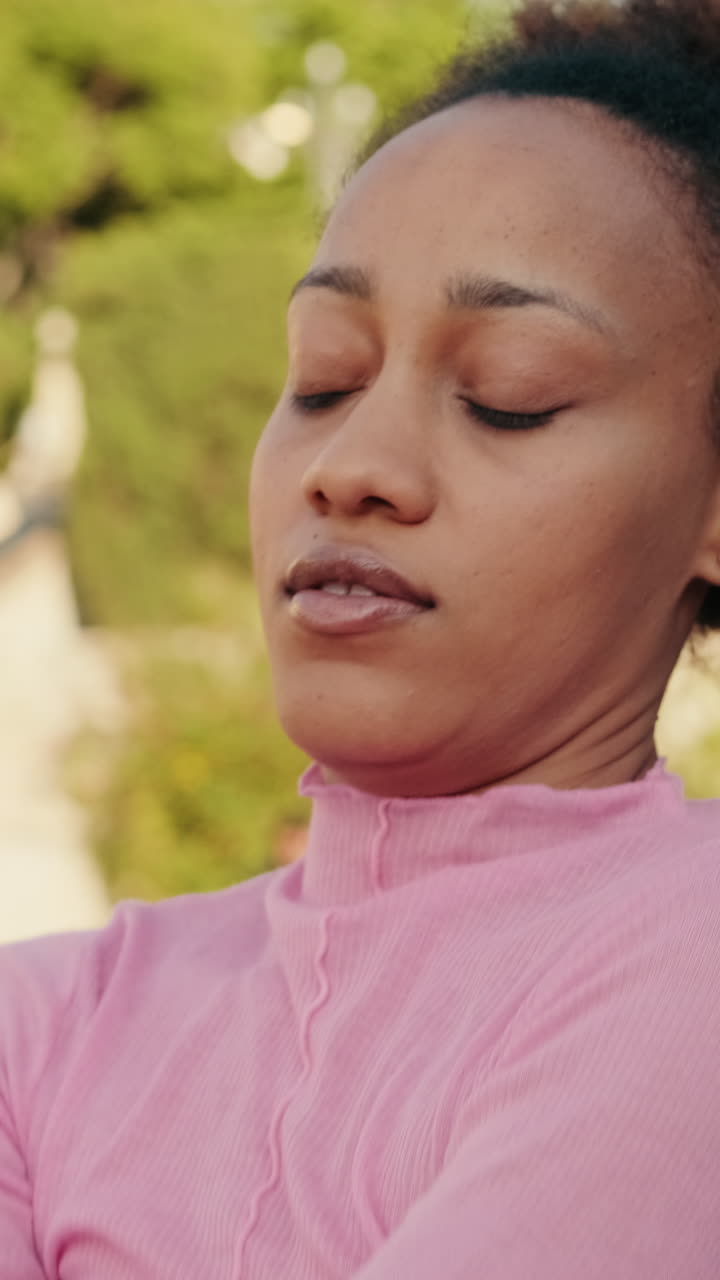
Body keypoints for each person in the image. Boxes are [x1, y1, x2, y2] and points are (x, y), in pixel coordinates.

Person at [3, 0, 720, 1274]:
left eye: (508, 395)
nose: (353, 466)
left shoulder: (694, 956)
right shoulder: (49, 1023)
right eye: (324, 376)